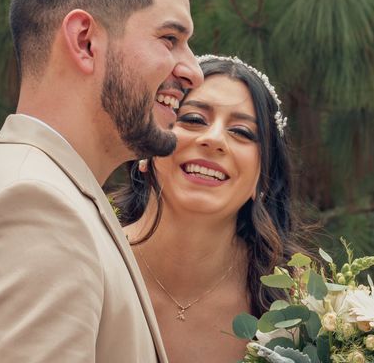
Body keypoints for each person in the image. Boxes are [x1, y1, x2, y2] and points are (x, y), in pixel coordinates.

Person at [0, 0, 203, 363]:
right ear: (84, 40)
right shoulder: (34, 208)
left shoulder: (38, 188)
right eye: (170, 39)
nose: (194, 71)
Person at [114, 55, 310, 363]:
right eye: (193, 119)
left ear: (264, 179)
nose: (214, 139)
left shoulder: (303, 310)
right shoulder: (88, 259)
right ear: (147, 146)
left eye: (243, 132)